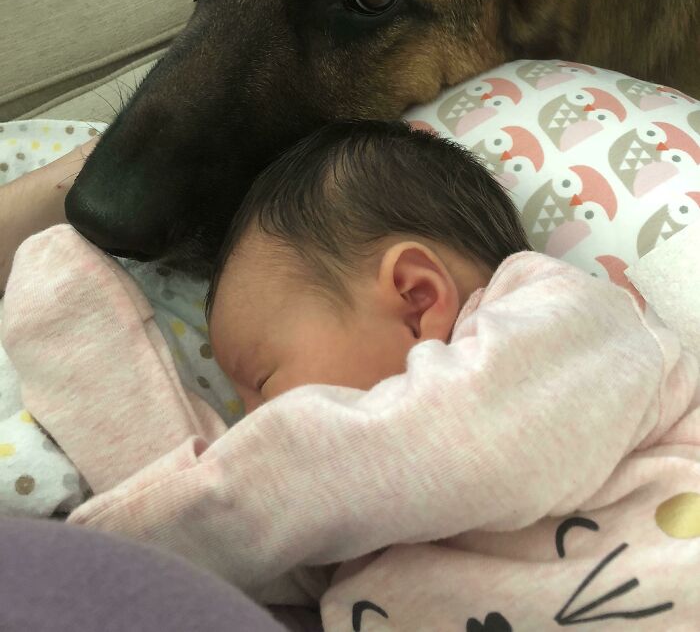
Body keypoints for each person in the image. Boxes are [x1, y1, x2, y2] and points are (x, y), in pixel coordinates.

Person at [2, 120, 700, 630]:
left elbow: (222, 507)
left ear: (417, 302)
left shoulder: (564, 320)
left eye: (265, 379)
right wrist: (66, 318)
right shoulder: (340, 530)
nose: (254, 419)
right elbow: (203, 535)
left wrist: (146, 528)